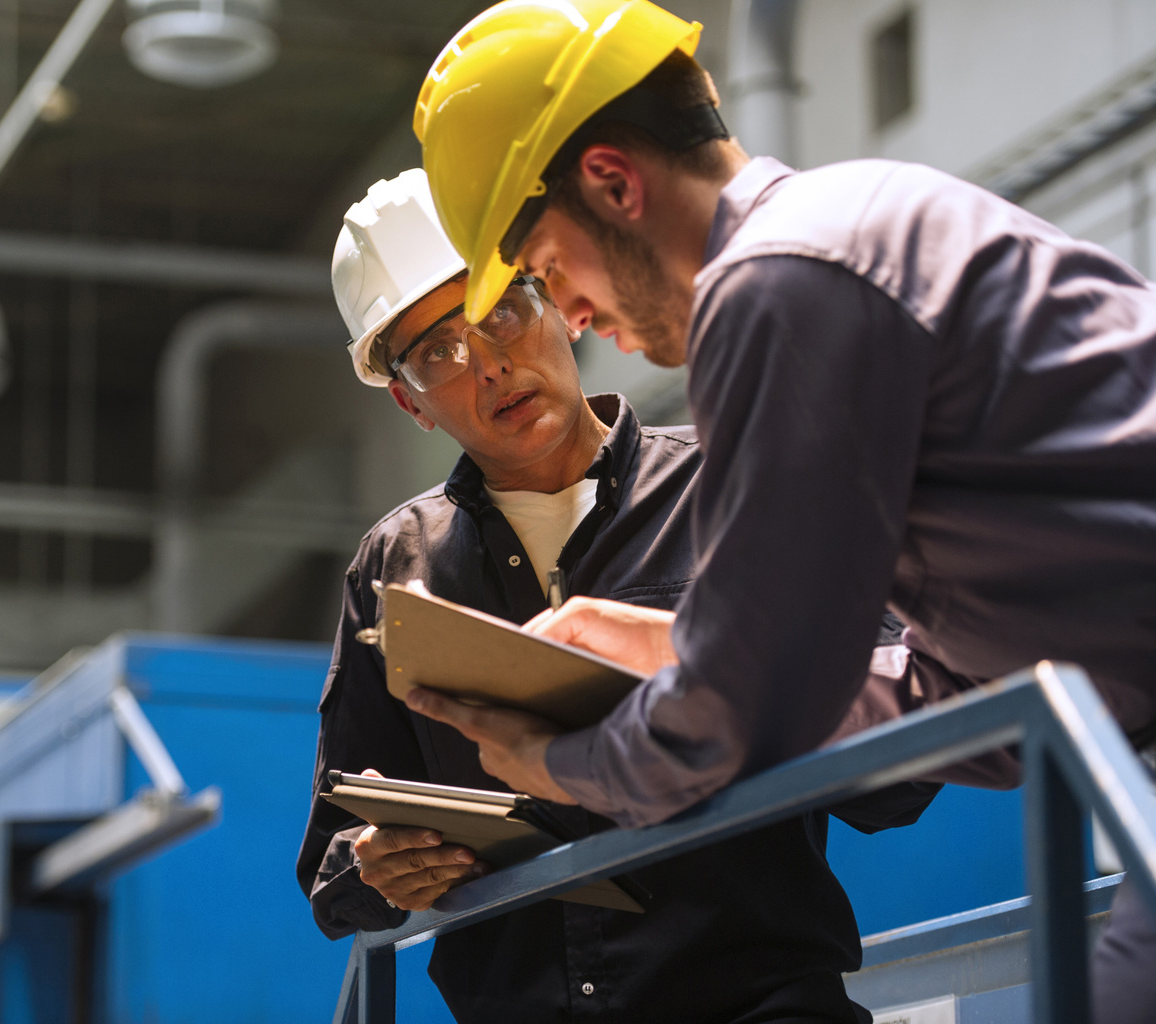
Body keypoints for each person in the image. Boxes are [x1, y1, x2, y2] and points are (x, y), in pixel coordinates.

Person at [406, 4, 1156, 1023]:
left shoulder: (779, 283)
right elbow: (952, 690)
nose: (570, 315)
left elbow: (737, 718)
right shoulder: (846, 232)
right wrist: (675, 649)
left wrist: (555, 764)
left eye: (544, 271)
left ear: (613, 183)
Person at [298, 168, 937, 1024]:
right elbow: (336, 864)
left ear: (554, 301)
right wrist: (376, 867)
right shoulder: (395, 568)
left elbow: (901, 770)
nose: (489, 364)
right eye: (440, 351)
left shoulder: (735, 489)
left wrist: (723, 699)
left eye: (500, 313)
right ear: (412, 403)